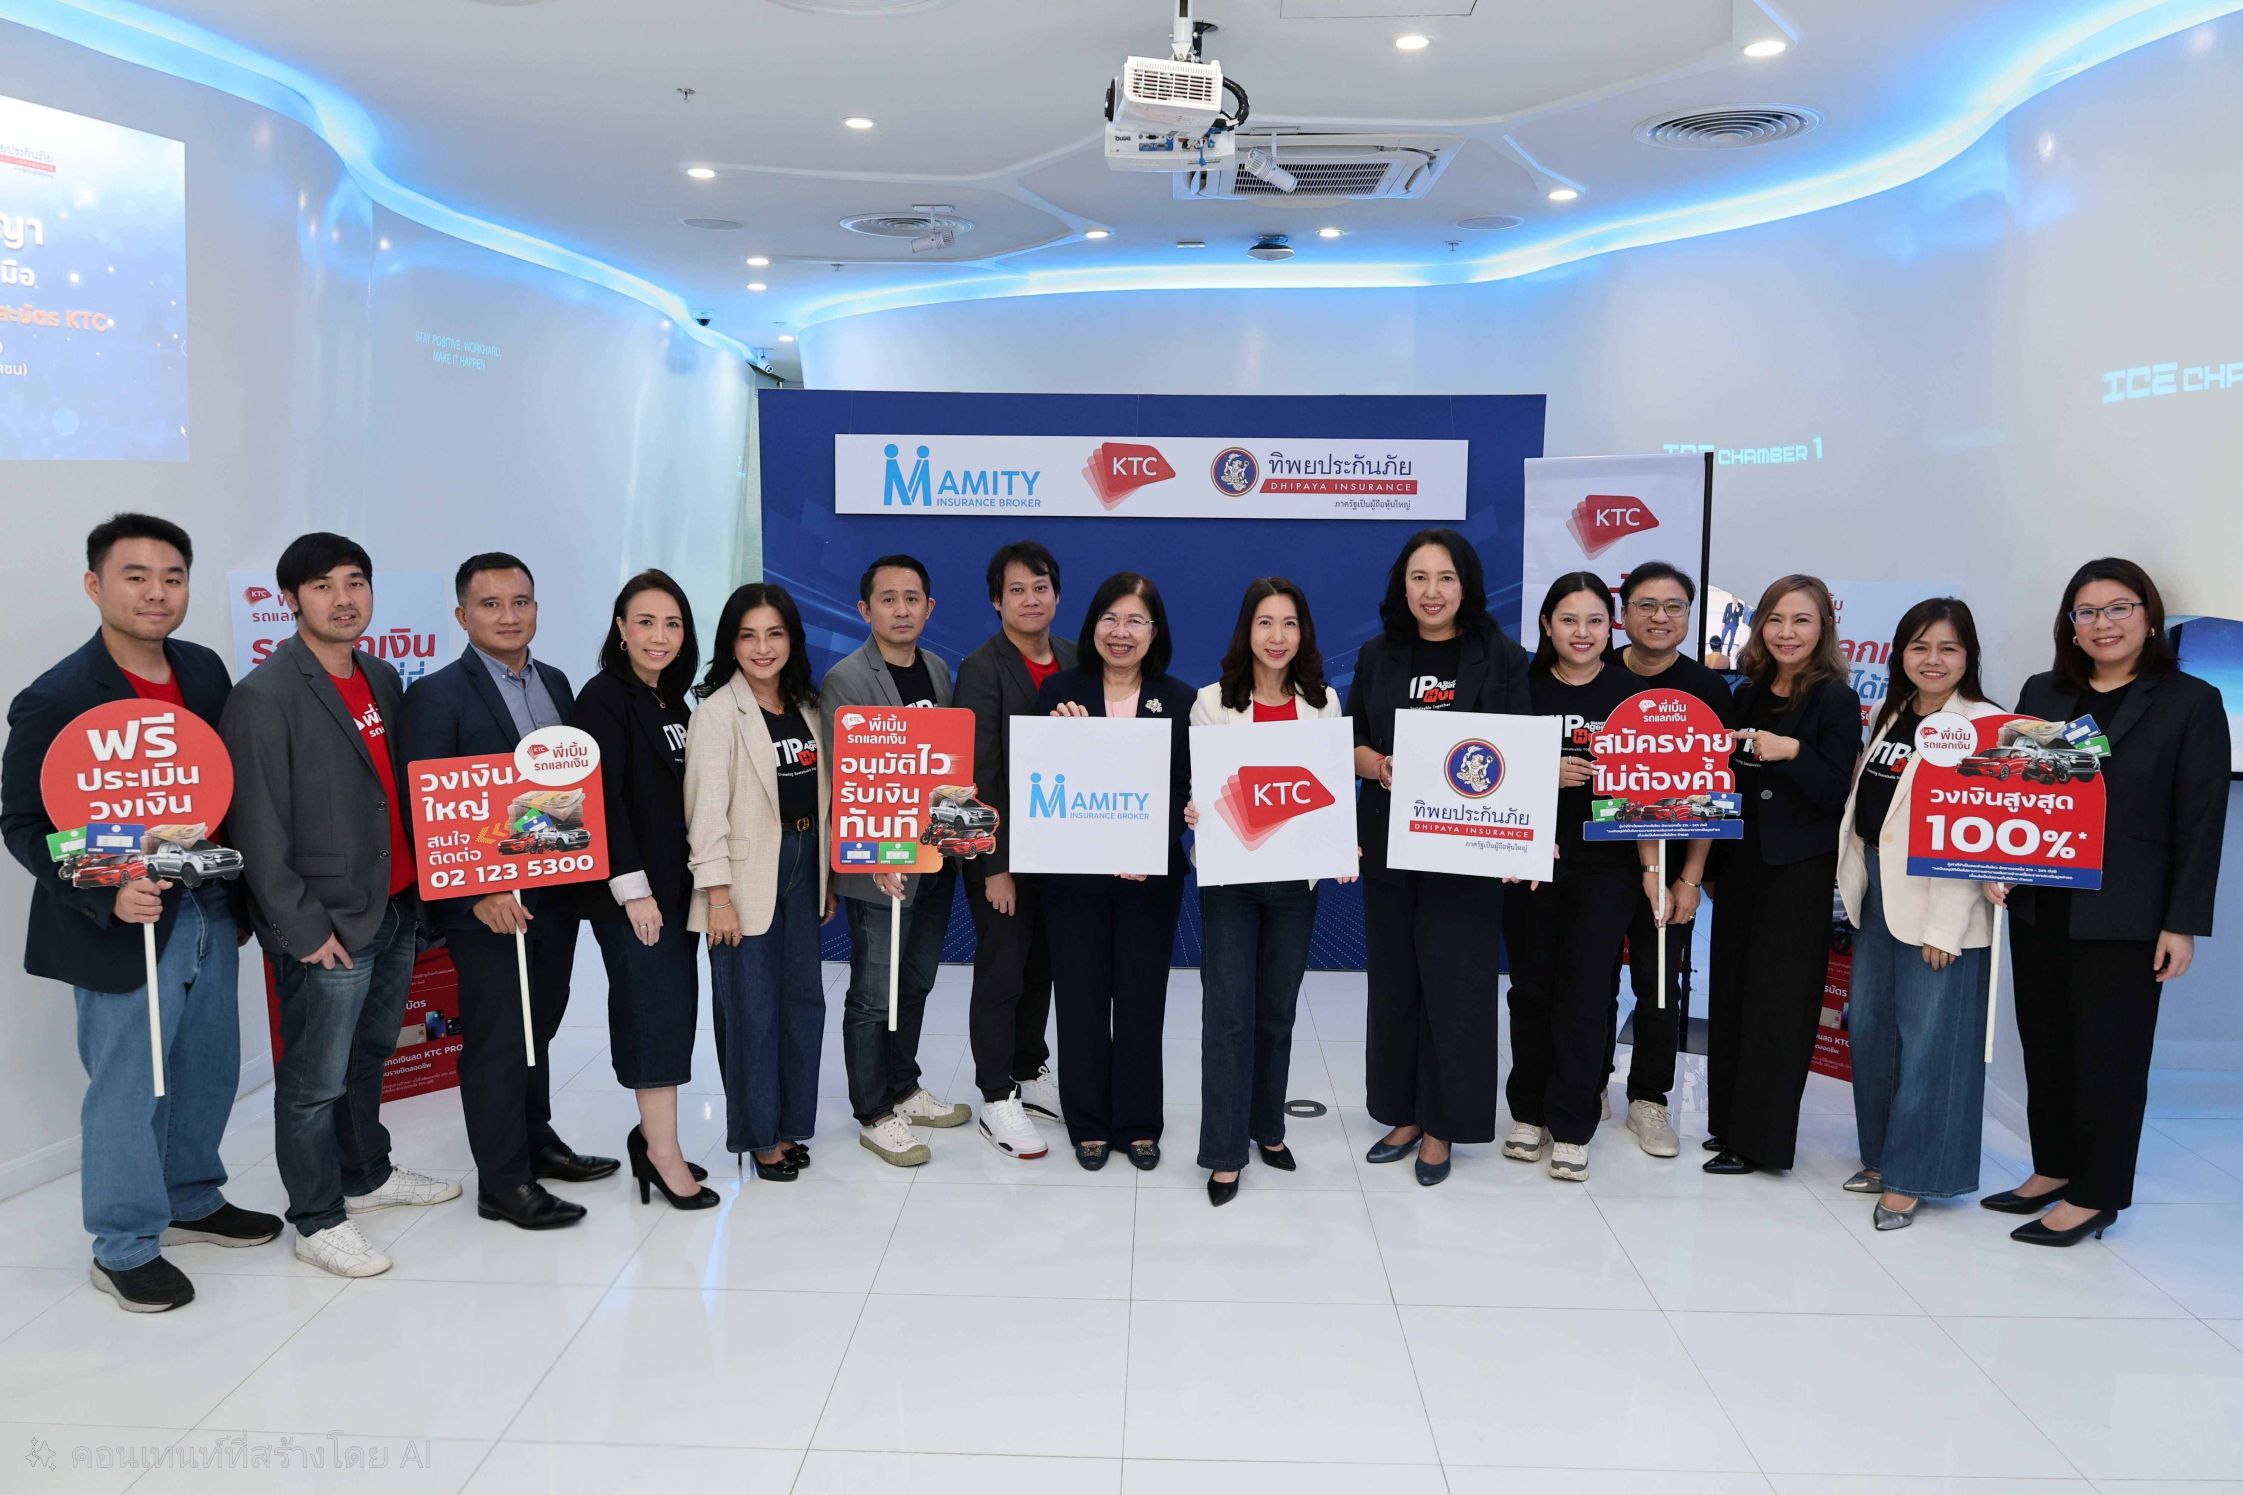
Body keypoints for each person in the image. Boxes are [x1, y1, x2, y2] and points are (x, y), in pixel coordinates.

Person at [1, 515, 281, 1312]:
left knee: (207, 1066)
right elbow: (24, 822)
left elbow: (220, 789)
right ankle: (123, 1242)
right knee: (130, 1081)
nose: (157, 592)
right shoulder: (57, 696)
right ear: (95, 585)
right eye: (136, 576)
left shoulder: (202, 668)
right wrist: (109, 885)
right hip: (121, 918)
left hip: (207, 904)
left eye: (172, 576)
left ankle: (191, 1196)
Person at [222, 533, 460, 1279]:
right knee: (312, 1081)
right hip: (323, 924)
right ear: (290, 600)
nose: (343, 598)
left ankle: (366, 1173)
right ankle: (318, 1217)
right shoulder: (264, 695)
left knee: (370, 1054)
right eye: (322, 585)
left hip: (394, 905)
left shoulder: (382, 676)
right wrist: (299, 927)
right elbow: (257, 826)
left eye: (355, 581)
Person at [1986, 558, 2229, 1246]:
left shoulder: (2190, 701)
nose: (2103, 623)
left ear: (2148, 617)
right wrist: (1995, 863)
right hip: (2041, 901)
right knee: (2046, 1044)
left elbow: (2201, 820)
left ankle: (2096, 1194)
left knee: (2109, 1057)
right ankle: (2054, 1167)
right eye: (2087, 612)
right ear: (2070, 625)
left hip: (2127, 910)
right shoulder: (2044, 691)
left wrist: (2181, 923)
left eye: (2118, 608)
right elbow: (2015, 791)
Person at [400, 554, 616, 1230]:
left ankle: (536, 1140)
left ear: (536, 609)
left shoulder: (555, 682)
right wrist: (477, 894)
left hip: (554, 895)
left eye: (520, 601)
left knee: (538, 1025)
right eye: (490, 604)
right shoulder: (436, 695)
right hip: (488, 908)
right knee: (497, 1039)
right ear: (462, 615)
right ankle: (503, 1181)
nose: (508, 615)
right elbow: (425, 808)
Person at [1348, 528, 1530, 1186]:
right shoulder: (1377, 655)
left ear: (1466, 585)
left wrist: (1521, 839)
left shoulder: (1502, 657)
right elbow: (1350, 744)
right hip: (1390, 845)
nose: (1432, 591)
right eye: (1419, 577)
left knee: (1457, 991)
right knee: (1396, 984)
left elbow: (1520, 752)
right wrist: (1380, 764)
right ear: (1402, 586)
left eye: (1445, 578)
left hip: (1467, 851)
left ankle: (1442, 1125)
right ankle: (1402, 1112)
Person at [1834, 598, 2002, 1229]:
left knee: (1932, 1044)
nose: (1933, 660)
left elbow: (1974, 831)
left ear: (1969, 656)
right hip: (1879, 894)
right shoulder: (1897, 711)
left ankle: (1914, 1176)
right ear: (1901, 653)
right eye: (1919, 647)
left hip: (1940, 904)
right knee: (1873, 1032)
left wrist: (1946, 926)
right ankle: (1882, 1157)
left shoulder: (1984, 725)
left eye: (1948, 648)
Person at [1188, 577, 1346, 1206]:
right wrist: (1195, 809)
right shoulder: (1212, 703)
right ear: (1246, 631)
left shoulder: (1323, 703)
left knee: (1277, 1012)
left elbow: (1328, 791)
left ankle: (1268, 1127)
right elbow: (1205, 789)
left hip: (1294, 884)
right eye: (1265, 623)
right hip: (1231, 882)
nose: (1277, 636)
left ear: (1303, 633)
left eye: (1289, 623)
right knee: (1228, 1016)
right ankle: (1225, 1152)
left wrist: (1340, 844)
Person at [1704, 575, 1862, 1176]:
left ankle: (1761, 1143)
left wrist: (1792, 752)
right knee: (1733, 995)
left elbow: (1835, 792)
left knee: (1780, 1005)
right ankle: (1728, 1125)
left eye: (1801, 620)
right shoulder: (1745, 693)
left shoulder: (1835, 699)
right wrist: (1709, 867)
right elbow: (1724, 783)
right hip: (1739, 865)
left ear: (1823, 628)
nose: (1787, 632)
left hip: (1797, 871)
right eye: (1775, 619)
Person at [1037, 572, 1194, 1171]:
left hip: (1149, 878)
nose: (1121, 632)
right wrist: (1060, 737)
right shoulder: (1060, 691)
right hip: (1073, 878)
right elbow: (1039, 777)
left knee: (1140, 998)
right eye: (1110, 618)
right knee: (1079, 997)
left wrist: (1151, 840)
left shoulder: (1180, 700)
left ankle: (1138, 1121)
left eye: (1135, 621)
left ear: (1155, 632)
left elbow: (1186, 787)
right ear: (1093, 625)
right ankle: (1088, 1121)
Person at [818, 554, 970, 1166]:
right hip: (880, 866)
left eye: (912, 599)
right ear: (865, 610)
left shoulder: (937, 669)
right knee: (874, 992)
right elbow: (845, 778)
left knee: (917, 980)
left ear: (929, 607)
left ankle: (904, 1087)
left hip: (934, 858)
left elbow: (946, 764)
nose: (901, 609)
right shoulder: (847, 679)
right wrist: (876, 853)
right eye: (888, 599)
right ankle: (873, 1111)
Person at [573, 571, 717, 1209]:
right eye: (646, 622)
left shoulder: (669, 701)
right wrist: (634, 891)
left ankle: (653, 1139)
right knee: (652, 1013)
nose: (660, 636)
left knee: (673, 1009)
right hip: (637, 896)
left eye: (673, 624)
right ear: (620, 628)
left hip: (675, 889)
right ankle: (662, 1154)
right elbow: (599, 798)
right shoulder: (603, 698)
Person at [685, 583, 834, 1181]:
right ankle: (759, 1136)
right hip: (742, 880)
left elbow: (821, 799)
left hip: (804, 862)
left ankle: (791, 1123)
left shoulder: (807, 705)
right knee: (751, 1012)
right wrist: (717, 898)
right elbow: (704, 815)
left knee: (803, 1005)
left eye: (774, 633)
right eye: (748, 636)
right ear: (731, 644)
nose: (762, 647)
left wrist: (824, 876)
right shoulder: (717, 713)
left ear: (792, 639)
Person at [1501, 573, 1643, 1184]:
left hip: (1607, 867)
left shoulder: (1633, 696)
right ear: (1546, 625)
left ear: (1611, 627)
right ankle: (1528, 1112)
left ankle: (1573, 1122)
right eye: (1568, 620)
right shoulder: (1519, 688)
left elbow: (1654, 791)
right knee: (1531, 989)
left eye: (1594, 621)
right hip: (1528, 863)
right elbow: (1486, 769)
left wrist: (1656, 873)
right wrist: (1542, 770)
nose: (1581, 633)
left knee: (1585, 994)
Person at [1608, 561, 1737, 1157]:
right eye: (1646, 605)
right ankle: (1585, 1085)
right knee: (1588, 981)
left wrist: (1690, 877)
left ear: (1688, 615)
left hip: (1674, 861)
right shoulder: (1599, 671)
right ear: (1623, 614)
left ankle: (1649, 1099)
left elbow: (1715, 789)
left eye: (1674, 607)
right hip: (1598, 861)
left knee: (1660, 982)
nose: (1660, 618)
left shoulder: (1708, 688)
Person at [954, 541, 1074, 1160]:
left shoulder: (1077, 657)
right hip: (1001, 857)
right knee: (1002, 972)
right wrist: (991, 868)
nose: (1031, 600)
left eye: (1041, 587)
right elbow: (974, 774)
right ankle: (996, 1095)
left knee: (1041, 969)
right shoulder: (981, 667)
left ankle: (1030, 1070)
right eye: (1017, 590)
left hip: (1061, 854)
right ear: (997, 602)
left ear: (1057, 594)